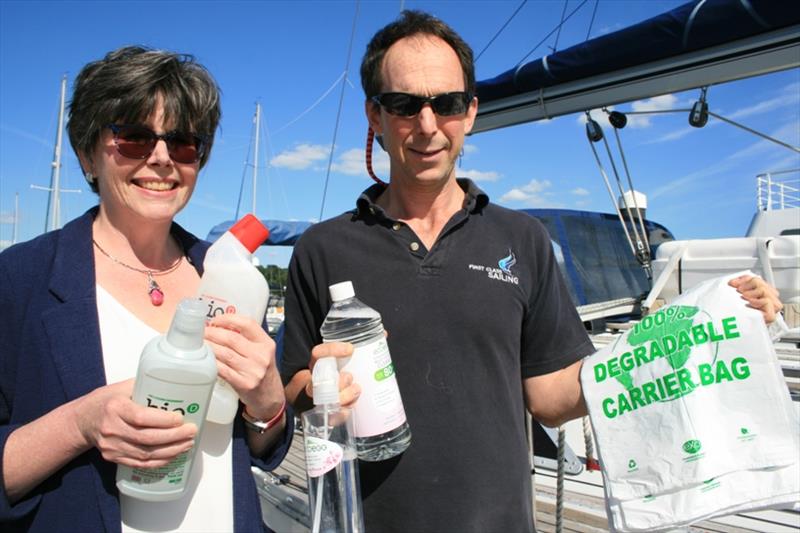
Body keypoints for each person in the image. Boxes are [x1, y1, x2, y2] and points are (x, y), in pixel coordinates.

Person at [279, 10, 784, 533]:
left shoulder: (522, 239)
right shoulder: (323, 249)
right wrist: (316, 390)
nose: (428, 126)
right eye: (405, 105)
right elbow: (291, 390)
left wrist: (706, 328)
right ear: (375, 115)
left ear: (470, 111)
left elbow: (551, 398)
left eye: (447, 104)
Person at [0, 46, 291, 532]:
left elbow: (262, 446)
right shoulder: (20, 279)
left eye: (182, 143)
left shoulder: (226, 281)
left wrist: (268, 405)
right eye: (134, 137)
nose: (160, 158)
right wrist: (81, 423)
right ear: (87, 153)